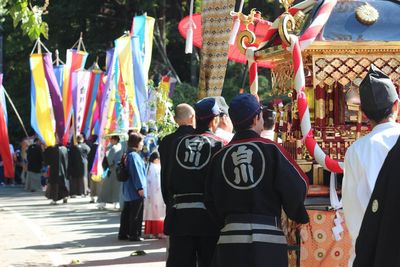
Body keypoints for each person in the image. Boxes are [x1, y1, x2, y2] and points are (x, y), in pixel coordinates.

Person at [205, 93, 309, 267]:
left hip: (230, 239)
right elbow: (297, 186)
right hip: (267, 239)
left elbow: (209, 199)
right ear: (256, 118)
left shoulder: (219, 156)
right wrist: (297, 215)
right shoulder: (272, 150)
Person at [342, 64, 400, 266]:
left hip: (371, 251)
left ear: (364, 114)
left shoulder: (357, 151)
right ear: (396, 105)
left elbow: (352, 211)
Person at [164, 98, 224, 267]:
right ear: (215, 119)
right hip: (209, 219)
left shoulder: (176, 143)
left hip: (180, 217)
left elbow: (168, 182)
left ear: (196, 118)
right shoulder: (219, 145)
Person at [159, 103, 196, 208]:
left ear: (175, 119)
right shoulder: (198, 138)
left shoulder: (166, 141)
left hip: (173, 198)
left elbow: (164, 171)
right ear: (193, 117)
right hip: (196, 199)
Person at [118, 132, 147, 241]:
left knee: (127, 212)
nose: (142, 144)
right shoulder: (134, 156)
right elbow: (137, 173)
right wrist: (140, 188)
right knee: (136, 213)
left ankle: (123, 233)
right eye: (141, 141)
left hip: (128, 188)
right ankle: (134, 234)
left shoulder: (127, 154)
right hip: (135, 189)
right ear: (137, 143)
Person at [143, 151, 165, 238]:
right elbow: (158, 182)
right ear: (156, 160)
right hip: (157, 193)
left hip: (149, 194)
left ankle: (151, 232)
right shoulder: (156, 168)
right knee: (159, 213)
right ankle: (159, 232)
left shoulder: (149, 166)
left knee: (151, 213)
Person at [98, 134, 123, 209]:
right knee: (117, 187)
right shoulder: (121, 146)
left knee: (106, 186)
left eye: (111, 139)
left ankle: (103, 202)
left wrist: (109, 164)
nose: (110, 141)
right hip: (119, 169)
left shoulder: (113, 148)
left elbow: (110, 160)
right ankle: (116, 202)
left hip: (112, 169)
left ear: (115, 140)